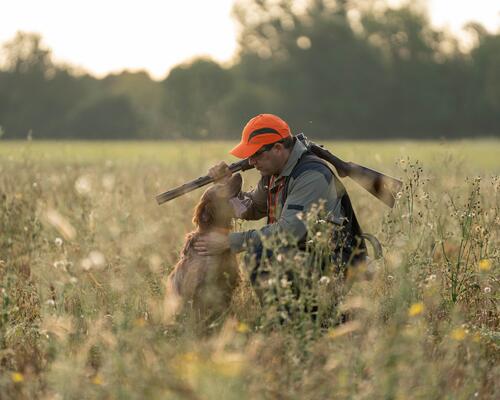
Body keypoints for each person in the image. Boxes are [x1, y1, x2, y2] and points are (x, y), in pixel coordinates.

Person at [194, 113, 366, 287]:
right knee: (261, 254)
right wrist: (226, 190)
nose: (252, 162)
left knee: (260, 256)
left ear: (277, 148)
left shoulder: (311, 175)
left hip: (333, 262)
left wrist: (229, 241)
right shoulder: (275, 172)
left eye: (255, 155)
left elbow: (289, 232)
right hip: (304, 253)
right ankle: (285, 312)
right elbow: (251, 207)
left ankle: (302, 313)